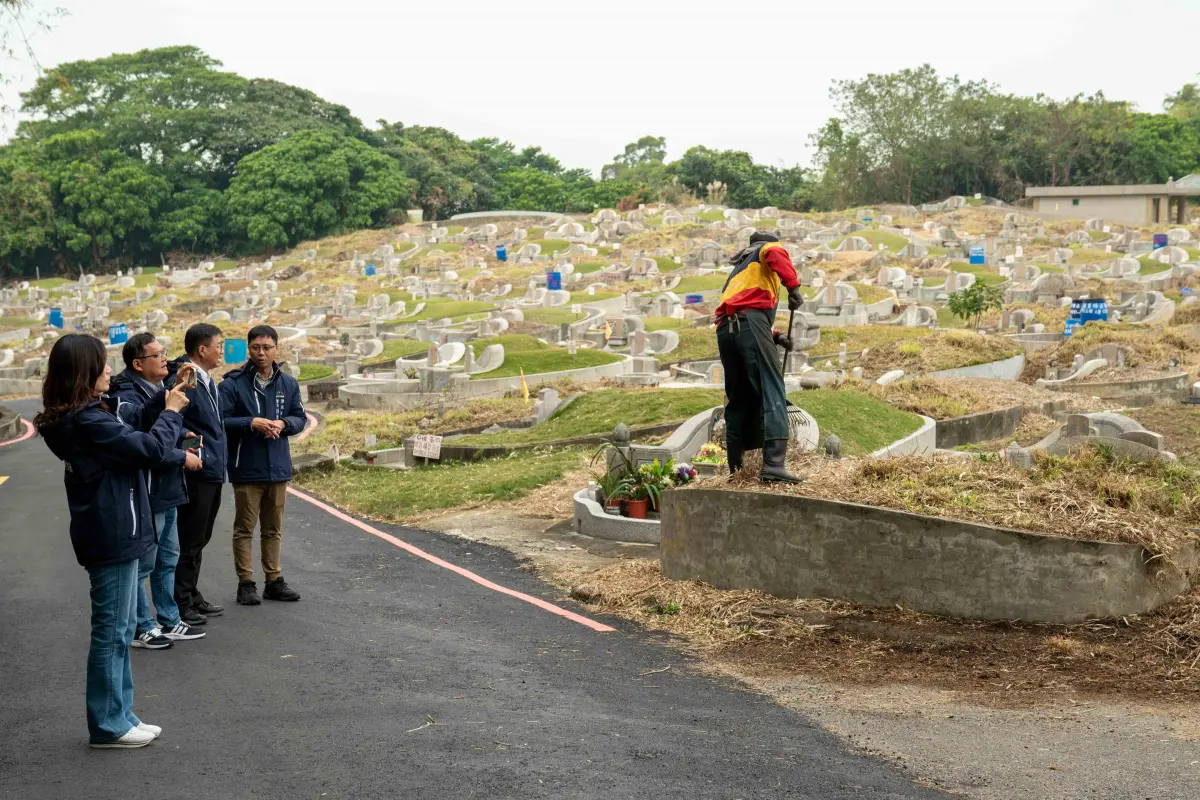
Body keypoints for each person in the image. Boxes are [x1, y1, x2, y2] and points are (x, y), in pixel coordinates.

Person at [35, 333, 194, 748]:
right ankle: (107, 724)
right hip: (112, 534)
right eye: (102, 364)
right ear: (84, 372)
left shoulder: (85, 417)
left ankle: (120, 714)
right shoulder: (87, 422)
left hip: (116, 529)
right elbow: (149, 449)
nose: (109, 370)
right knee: (110, 631)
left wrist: (162, 402)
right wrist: (172, 412)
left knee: (121, 629)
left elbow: (128, 436)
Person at [110, 332, 206, 648]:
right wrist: (181, 455)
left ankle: (169, 619)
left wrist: (183, 436)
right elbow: (145, 442)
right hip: (147, 489)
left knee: (168, 559)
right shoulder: (126, 395)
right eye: (157, 354)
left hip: (166, 487)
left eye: (164, 351)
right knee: (144, 564)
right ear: (138, 364)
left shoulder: (157, 387)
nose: (165, 357)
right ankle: (143, 626)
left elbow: (166, 429)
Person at [219, 325, 306, 604]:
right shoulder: (231, 384)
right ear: (249, 349)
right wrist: (251, 423)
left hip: (278, 467)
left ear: (276, 349)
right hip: (247, 467)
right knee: (245, 528)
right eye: (256, 347)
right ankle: (246, 583)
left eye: (267, 347)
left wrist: (283, 423)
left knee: (273, 529)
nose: (261, 353)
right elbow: (220, 421)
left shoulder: (288, 384)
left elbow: (299, 418)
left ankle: (273, 580)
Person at [714, 230, 803, 483]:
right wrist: (793, 288)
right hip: (750, 325)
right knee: (770, 388)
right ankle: (774, 465)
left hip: (725, 331)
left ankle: (736, 470)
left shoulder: (738, 271)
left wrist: (775, 336)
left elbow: (740, 307)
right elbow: (776, 253)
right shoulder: (767, 250)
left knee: (738, 397)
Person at [168, 323, 227, 626]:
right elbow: (171, 417)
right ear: (202, 349)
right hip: (197, 470)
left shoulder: (207, 380)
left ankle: (191, 593)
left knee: (201, 536)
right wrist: (191, 447)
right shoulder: (185, 377)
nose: (222, 350)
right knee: (189, 537)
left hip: (213, 469)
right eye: (219, 345)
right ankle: (180, 601)